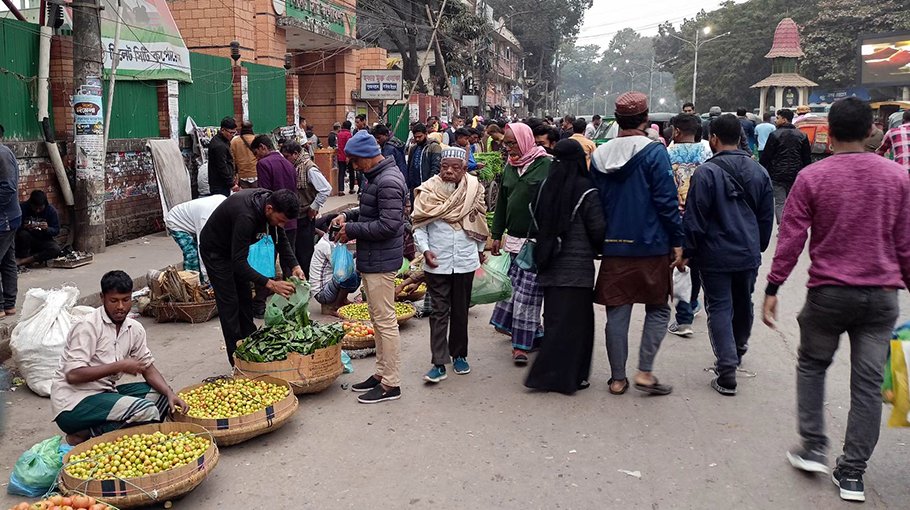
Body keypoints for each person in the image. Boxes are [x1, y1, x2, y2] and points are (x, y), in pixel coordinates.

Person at [762, 97, 910, 503]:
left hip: (828, 295)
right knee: (867, 384)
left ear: (829, 135)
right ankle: (852, 473)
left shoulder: (813, 177)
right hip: (881, 299)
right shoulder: (897, 177)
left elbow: (792, 238)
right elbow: (905, 244)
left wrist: (773, 287)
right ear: (871, 132)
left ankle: (813, 448)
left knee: (812, 366)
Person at [590, 91, 684, 397]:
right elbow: (667, 203)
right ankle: (644, 372)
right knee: (658, 309)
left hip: (614, 246)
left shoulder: (600, 155)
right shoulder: (655, 152)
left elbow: (595, 204)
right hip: (652, 245)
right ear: (645, 118)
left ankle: (617, 379)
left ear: (617, 120)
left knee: (617, 313)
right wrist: (678, 240)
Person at [683, 114, 774, 395]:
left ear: (713, 138)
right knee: (743, 301)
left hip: (714, 254)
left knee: (720, 306)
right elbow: (766, 217)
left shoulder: (705, 173)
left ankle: (726, 370)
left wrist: (687, 251)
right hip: (747, 251)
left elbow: (695, 218)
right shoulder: (759, 171)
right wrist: (758, 245)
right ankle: (738, 348)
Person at [50, 271, 188, 445]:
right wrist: (119, 366)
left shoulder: (134, 328)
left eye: (126, 300)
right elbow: (73, 375)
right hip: (74, 404)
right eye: (114, 301)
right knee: (145, 410)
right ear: (102, 298)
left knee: (161, 397)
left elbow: (147, 367)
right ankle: (87, 433)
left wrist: (170, 394)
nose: (121, 306)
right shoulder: (88, 326)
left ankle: (94, 432)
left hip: (105, 394)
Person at [332, 130, 408, 404]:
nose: (353, 166)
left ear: (366, 156)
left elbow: (389, 225)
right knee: (377, 320)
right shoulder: (376, 177)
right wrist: (347, 215)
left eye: (355, 160)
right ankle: (380, 373)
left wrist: (352, 229)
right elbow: (369, 211)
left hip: (381, 261)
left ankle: (391, 383)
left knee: (385, 322)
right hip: (373, 258)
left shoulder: (387, 181)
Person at [524, 140, 605, 395]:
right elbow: (598, 229)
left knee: (554, 321)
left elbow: (533, 218)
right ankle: (570, 377)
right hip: (578, 269)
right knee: (578, 324)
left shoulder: (545, 186)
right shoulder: (586, 190)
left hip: (548, 263)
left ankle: (548, 375)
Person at [412, 146, 489, 383]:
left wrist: (479, 251)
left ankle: (460, 355)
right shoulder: (428, 190)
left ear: (464, 169)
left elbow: (480, 221)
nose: (449, 171)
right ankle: (438, 362)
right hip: (437, 261)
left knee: (460, 311)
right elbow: (419, 225)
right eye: (444, 167)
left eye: (455, 168)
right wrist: (425, 250)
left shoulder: (473, 189)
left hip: (465, 261)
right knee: (438, 312)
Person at [199, 189, 303, 364]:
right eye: (281, 220)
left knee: (245, 298)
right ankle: (237, 361)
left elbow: (280, 238)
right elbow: (238, 263)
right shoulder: (246, 216)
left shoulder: (271, 202)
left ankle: (252, 350)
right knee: (230, 304)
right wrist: (271, 284)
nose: (282, 224)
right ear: (269, 209)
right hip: (216, 252)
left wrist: (295, 266)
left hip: (235, 249)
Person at [490, 122, 552, 363]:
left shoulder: (546, 165)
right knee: (514, 289)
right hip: (514, 241)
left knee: (528, 294)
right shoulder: (510, 167)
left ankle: (521, 345)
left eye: (512, 143)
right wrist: (496, 234)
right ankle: (531, 332)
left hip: (536, 242)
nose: (508, 148)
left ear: (525, 141)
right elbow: (502, 203)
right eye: (506, 144)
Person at [665, 114, 712, 338]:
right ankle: (693, 303)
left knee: (679, 266)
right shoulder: (708, 152)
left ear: (676, 131)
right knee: (697, 265)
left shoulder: (667, 153)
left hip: (676, 217)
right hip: (704, 217)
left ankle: (684, 318)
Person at [281, 140, 331, 278]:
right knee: (296, 250)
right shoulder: (295, 167)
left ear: (295, 154)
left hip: (305, 215)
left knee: (304, 252)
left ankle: (308, 279)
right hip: (296, 215)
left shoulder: (309, 168)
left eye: (287, 156)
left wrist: (314, 207)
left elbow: (325, 189)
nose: (285, 159)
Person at [759, 108, 811, 224]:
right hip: (796, 175)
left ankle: (783, 226)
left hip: (777, 175)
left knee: (780, 202)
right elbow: (806, 158)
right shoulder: (802, 136)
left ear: (784, 119)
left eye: (778, 118)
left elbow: (766, 157)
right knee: (793, 202)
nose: (775, 120)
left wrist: (762, 171)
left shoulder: (774, 135)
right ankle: (792, 225)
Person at [252, 135, 299, 264]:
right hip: (290, 219)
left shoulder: (263, 164)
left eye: (256, 153)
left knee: (268, 260)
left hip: (274, 219)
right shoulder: (289, 164)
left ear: (262, 147)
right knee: (289, 259)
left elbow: (264, 194)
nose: (256, 157)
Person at [164, 194, 226, 277]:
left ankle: (200, 277)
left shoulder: (224, 201)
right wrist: (206, 275)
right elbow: (203, 246)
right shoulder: (205, 217)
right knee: (192, 254)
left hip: (192, 220)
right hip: (176, 221)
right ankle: (191, 280)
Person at [310, 227, 361, 316]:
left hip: (329, 286)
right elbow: (342, 269)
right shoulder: (326, 246)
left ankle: (343, 300)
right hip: (322, 293)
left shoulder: (331, 241)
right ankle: (336, 306)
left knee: (358, 267)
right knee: (349, 274)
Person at [0, 139, 20, 316]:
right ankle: (8, 304)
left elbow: (8, 187)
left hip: (4, 219)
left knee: (7, 261)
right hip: (7, 217)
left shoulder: (2, 154)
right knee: (7, 260)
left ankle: (2, 305)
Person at [16, 190, 61, 267]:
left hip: (43, 240)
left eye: (40, 208)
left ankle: (24, 261)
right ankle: (24, 257)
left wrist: (47, 229)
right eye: (35, 208)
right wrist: (24, 227)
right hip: (27, 240)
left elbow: (56, 230)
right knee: (23, 234)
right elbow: (14, 227)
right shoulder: (23, 208)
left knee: (56, 249)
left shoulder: (51, 211)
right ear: (31, 204)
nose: (37, 210)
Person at [406, 123, 442, 197]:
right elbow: (410, 167)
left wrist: (429, 185)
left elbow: (436, 168)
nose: (417, 139)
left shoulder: (434, 147)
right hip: (414, 187)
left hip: (428, 188)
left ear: (426, 134)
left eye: (420, 136)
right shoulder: (413, 148)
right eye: (415, 137)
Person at [208, 116, 237, 197]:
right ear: (222, 130)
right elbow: (222, 166)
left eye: (234, 133)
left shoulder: (223, 141)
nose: (232, 135)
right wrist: (231, 184)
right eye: (230, 133)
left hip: (222, 183)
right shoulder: (219, 146)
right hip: (220, 184)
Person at [230, 121, 258, 188]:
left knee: (245, 194)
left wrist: (234, 174)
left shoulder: (234, 141)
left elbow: (232, 160)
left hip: (242, 175)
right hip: (256, 173)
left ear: (241, 128)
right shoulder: (257, 140)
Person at [336, 120, 353, 195]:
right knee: (351, 172)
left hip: (340, 156)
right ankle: (351, 188)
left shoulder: (339, 134)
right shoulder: (348, 134)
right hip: (348, 156)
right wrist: (348, 156)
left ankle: (340, 190)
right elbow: (349, 146)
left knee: (341, 173)